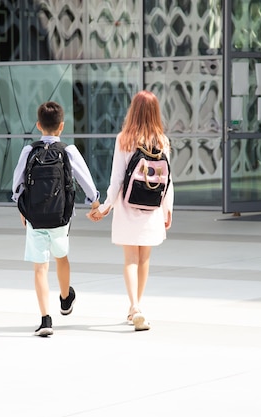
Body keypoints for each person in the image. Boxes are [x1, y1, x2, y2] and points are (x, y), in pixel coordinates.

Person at [87, 91, 173, 331]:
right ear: (155, 112)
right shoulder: (162, 140)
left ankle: (133, 306)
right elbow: (168, 180)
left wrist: (104, 208)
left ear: (133, 110)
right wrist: (168, 210)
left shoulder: (124, 139)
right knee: (144, 259)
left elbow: (116, 180)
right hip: (152, 209)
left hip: (127, 207)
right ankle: (138, 307)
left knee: (130, 260)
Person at [12, 101, 100, 337]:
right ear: (61, 126)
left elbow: (17, 184)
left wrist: (21, 208)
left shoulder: (29, 151)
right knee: (61, 257)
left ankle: (45, 319)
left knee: (40, 267)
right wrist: (94, 200)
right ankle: (64, 298)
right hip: (61, 216)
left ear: (38, 125)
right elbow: (84, 178)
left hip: (34, 217)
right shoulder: (68, 151)